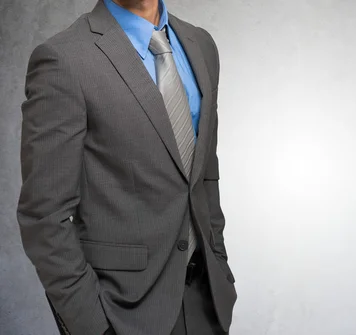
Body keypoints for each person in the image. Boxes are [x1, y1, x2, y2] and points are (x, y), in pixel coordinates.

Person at [16, 0, 236, 334]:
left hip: (206, 303)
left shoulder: (200, 45)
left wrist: (219, 264)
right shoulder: (65, 59)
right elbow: (43, 216)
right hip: (123, 313)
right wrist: (92, 325)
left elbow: (205, 174)